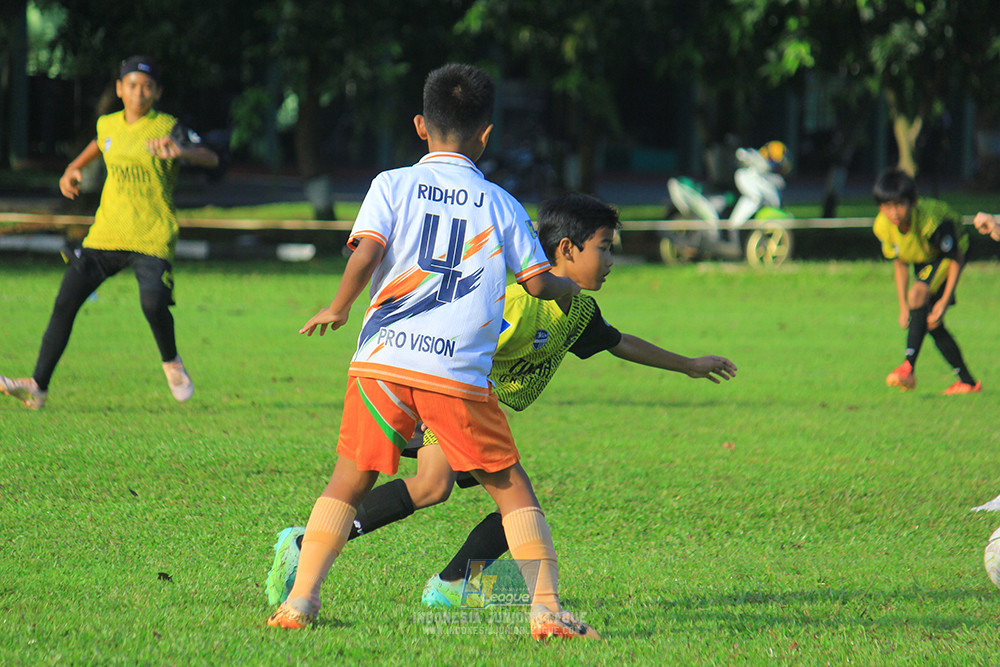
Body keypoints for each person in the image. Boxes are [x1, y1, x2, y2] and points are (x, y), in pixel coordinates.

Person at [265, 192, 738, 610]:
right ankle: (449, 584)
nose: (611, 259)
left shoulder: (579, 310)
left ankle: (354, 556)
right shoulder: (517, 303)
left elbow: (618, 342)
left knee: (441, 488)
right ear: (567, 250)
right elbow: (467, 345)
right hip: (452, 399)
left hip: (470, 406)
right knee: (485, 494)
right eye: (605, 248)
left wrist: (689, 365)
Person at [266, 63, 599, 640]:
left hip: (382, 363)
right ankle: (545, 610)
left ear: (421, 125)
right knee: (511, 486)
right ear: (487, 133)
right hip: (455, 372)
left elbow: (367, 251)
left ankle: (300, 601)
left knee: (348, 480)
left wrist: (341, 305)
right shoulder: (500, 204)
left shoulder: (390, 184)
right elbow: (540, 283)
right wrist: (571, 286)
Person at [0, 56, 218, 410]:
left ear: (157, 91)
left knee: (153, 302)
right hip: (106, 235)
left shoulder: (168, 126)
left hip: (151, 235)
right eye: (131, 85)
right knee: (66, 300)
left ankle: (171, 361)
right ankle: (37, 386)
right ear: (119, 89)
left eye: (147, 86)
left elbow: (211, 157)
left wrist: (183, 151)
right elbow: (100, 145)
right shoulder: (108, 125)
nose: (139, 92)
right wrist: (73, 168)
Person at [872, 168, 980, 395]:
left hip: (951, 254)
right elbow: (899, 262)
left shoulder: (932, 222)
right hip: (926, 257)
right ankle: (967, 382)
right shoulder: (883, 226)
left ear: (913, 202)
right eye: (887, 206)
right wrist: (903, 306)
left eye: (899, 204)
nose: (894, 213)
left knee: (918, 294)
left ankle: (907, 367)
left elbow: (955, 258)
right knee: (931, 322)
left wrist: (944, 300)